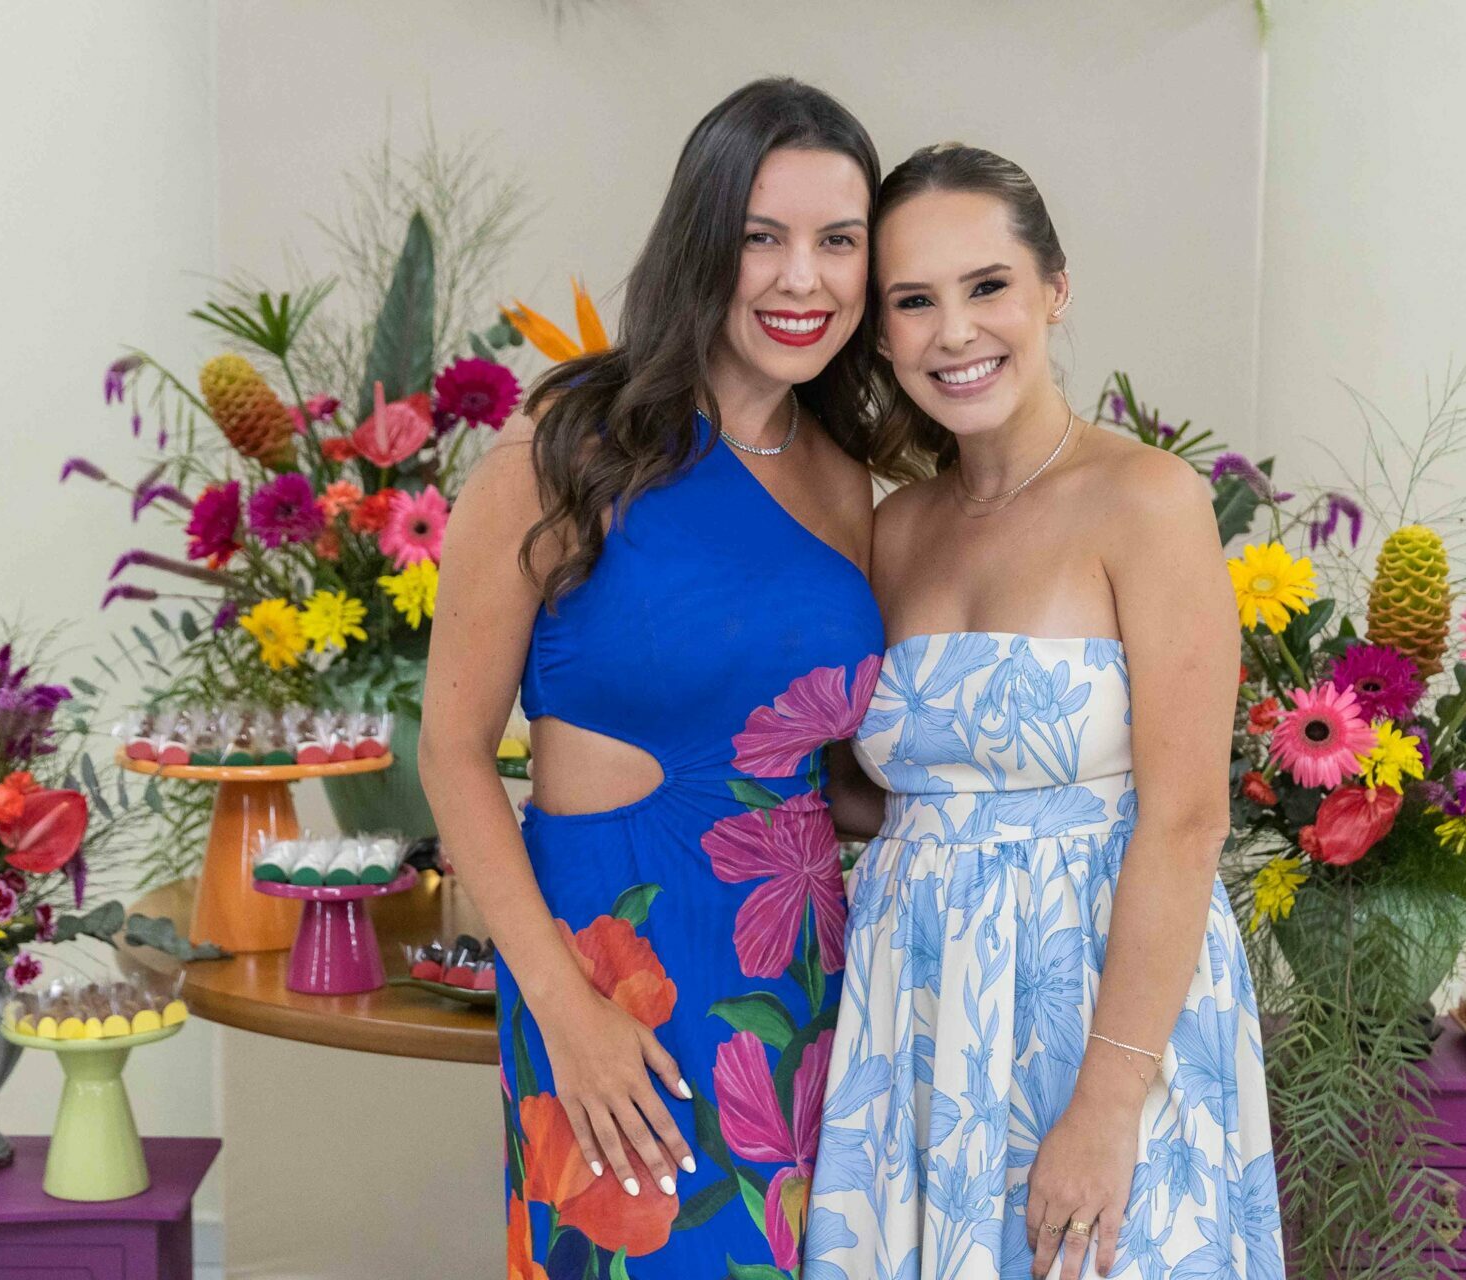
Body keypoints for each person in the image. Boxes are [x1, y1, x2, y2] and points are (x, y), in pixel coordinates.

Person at [419, 78, 904, 1277]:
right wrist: (562, 1007)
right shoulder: (564, 448)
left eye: (838, 241)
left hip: (798, 974)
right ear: (702, 239)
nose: (803, 278)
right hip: (606, 972)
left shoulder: (845, 479)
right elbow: (452, 753)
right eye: (762, 236)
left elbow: (829, 767)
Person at [803, 144, 1283, 1280]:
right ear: (879, 332)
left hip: (1103, 1012)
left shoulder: (1147, 499)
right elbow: (873, 792)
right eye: (914, 301)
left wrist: (1107, 1104)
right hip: (919, 1012)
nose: (954, 332)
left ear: (1055, 289)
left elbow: (1187, 821)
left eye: (988, 286)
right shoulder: (892, 528)